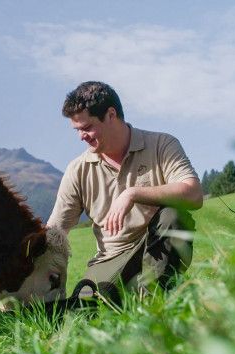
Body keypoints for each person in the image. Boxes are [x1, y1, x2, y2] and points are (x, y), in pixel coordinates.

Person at [47, 81, 203, 300]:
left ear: (111, 114)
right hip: (111, 257)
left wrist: (132, 193)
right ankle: (131, 296)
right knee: (86, 309)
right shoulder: (77, 170)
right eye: (77, 130)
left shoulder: (161, 144)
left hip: (156, 246)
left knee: (173, 215)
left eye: (87, 127)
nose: (81, 136)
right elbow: (55, 233)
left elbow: (194, 194)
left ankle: (154, 304)